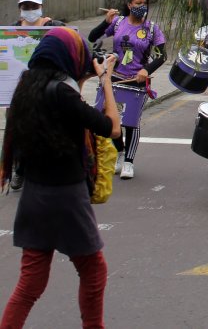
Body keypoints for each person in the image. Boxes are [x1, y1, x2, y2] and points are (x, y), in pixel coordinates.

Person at [0, 28, 119, 329]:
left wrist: (83, 78)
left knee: (30, 284)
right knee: (93, 271)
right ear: (68, 57)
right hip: (67, 196)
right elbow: (112, 127)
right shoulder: (63, 95)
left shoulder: (26, 89)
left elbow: (64, 108)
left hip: (34, 196)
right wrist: (105, 79)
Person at [87, 0, 167, 181]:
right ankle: (120, 152)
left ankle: (129, 161)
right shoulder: (118, 22)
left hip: (136, 81)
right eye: (138, 3)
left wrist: (146, 70)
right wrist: (105, 22)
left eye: (144, 3)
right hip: (114, 78)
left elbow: (162, 56)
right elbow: (92, 37)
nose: (142, 7)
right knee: (110, 119)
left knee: (131, 122)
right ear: (129, 5)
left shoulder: (152, 29)